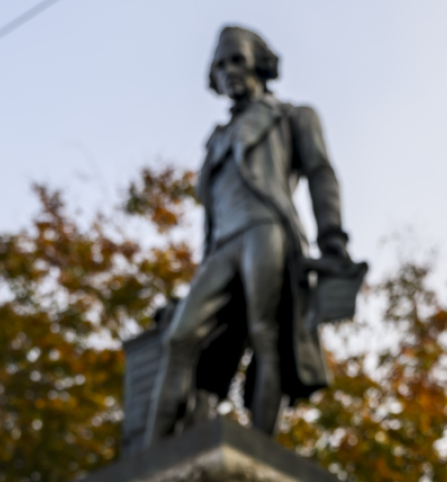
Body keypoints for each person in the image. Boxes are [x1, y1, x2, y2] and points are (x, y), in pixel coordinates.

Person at [147, 25, 352, 443]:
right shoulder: (216, 140)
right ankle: (150, 456)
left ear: (258, 62)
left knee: (265, 334)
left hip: (267, 230)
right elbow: (211, 215)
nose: (227, 72)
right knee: (180, 339)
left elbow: (320, 173)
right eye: (219, 65)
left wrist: (332, 238)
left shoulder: (292, 115)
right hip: (223, 246)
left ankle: (260, 445)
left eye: (235, 60)